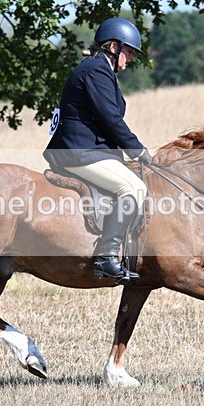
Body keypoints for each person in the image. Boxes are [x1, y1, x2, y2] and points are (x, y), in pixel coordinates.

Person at [44, 17, 152, 282]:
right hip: (79, 152)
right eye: (129, 52)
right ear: (114, 46)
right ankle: (106, 256)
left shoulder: (97, 69)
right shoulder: (95, 70)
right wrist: (137, 150)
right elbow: (110, 119)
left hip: (87, 150)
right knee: (133, 188)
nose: (130, 60)